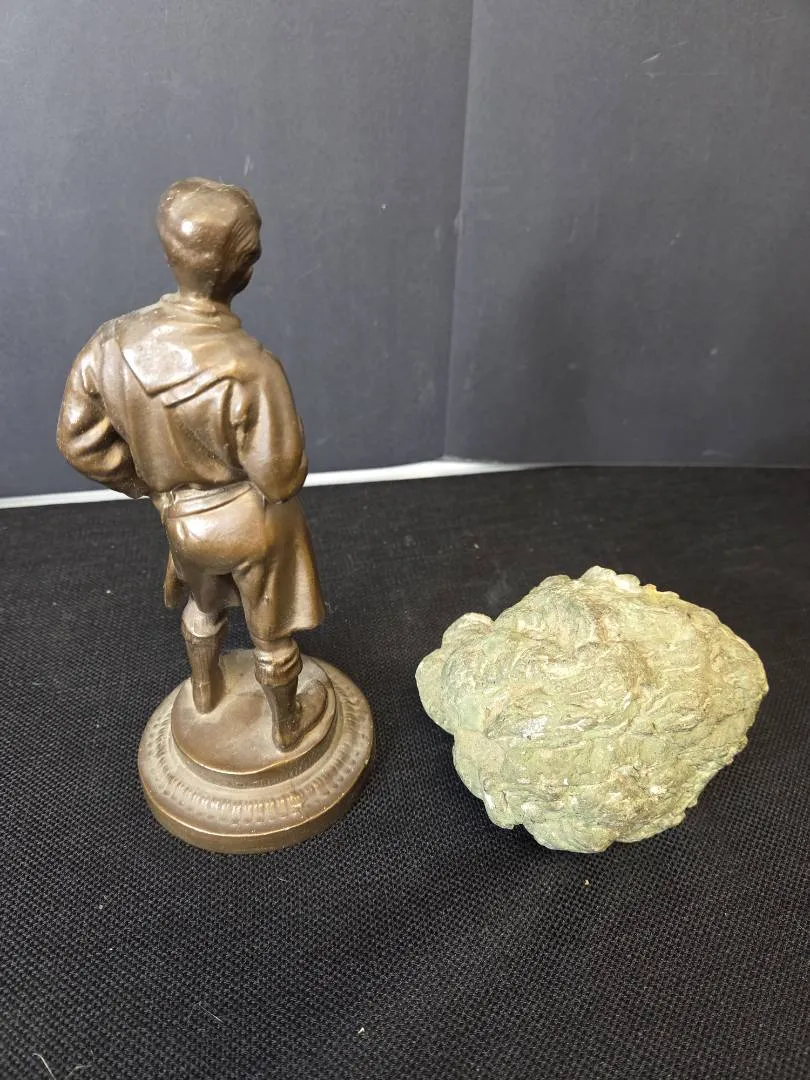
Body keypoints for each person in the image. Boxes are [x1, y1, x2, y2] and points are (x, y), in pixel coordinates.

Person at [57, 178, 325, 749]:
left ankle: (204, 693)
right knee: (272, 636)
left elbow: (78, 442)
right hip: (253, 525)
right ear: (246, 269)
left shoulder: (110, 344)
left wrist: (154, 487)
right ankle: (287, 728)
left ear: (168, 254)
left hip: (183, 522)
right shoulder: (252, 368)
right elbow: (281, 477)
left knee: (203, 610)